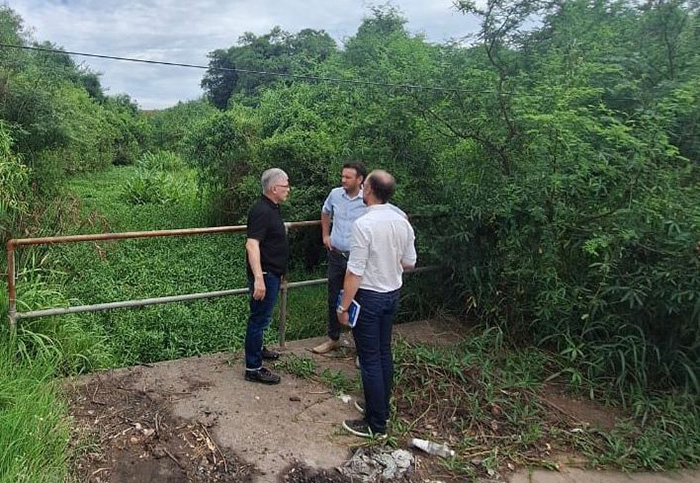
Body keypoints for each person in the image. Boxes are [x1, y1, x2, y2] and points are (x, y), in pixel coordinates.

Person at [337, 170, 417, 438]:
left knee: (369, 359)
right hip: (392, 294)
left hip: (369, 297)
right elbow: (410, 262)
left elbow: (355, 271)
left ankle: (376, 424)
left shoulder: (364, 224)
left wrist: (343, 307)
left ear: (369, 189)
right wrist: (388, 263)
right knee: (383, 353)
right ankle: (380, 408)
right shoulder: (401, 221)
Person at [312, 161, 368, 355]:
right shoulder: (335, 194)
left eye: (348, 177)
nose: (343, 180)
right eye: (342, 176)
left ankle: (361, 348)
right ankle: (333, 339)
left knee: (359, 301)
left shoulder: (368, 198)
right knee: (333, 297)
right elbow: (325, 211)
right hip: (336, 254)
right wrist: (325, 235)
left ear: (360, 179)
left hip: (358, 258)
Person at [243, 168, 291, 385]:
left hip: (272, 273)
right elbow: (252, 245)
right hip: (265, 274)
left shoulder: (272, 208)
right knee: (258, 319)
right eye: (285, 186)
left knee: (263, 318)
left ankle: (259, 349)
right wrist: (259, 278)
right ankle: (253, 368)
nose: (288, 189)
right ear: (273, 188)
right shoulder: (262, 211)